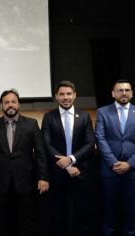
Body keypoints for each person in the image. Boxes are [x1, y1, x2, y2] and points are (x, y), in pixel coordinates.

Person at [0, 89, 49, 236]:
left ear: (18, 104)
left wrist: (43, 177)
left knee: (27, 222)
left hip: (26, 182)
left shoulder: (31, 124)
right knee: (5, 222)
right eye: (7, 102)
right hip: (2, 182)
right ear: (1, 106)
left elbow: (40, 153)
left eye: (13, 102)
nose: (10, 105)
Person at [41, 81, 95, 236]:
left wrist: (71, 159)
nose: (66, 97)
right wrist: (67, 166)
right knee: (58, 216)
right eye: (62, 94)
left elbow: (90, 143)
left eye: (69, 94)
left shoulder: (84, 116)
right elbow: (47, 144)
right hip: (58, 174)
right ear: (56, 97)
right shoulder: (49, 117)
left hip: (81, 173)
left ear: (75, 95)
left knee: (83, 215)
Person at [95, 79, 135, 236]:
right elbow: (100, 138)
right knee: (109, 210)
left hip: (132, 171)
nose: (123, 93)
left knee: (131, 211)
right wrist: (113, 163)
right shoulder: (103, 112)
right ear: (113, 93)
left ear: (131, 93)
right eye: (120, 90)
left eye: (127, 90)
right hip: (109, 171)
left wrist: (130, 164)